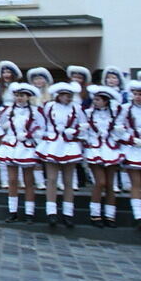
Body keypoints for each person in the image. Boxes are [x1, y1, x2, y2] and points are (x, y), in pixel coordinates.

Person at [0, 83, 44, 223]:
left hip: (27, 147)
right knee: (12, 180)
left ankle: (29, 213)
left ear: (28, 97)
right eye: (17, 95)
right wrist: (3, 135)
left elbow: (42, 128)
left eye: (22, 95)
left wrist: (31, 135)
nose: (19, 98)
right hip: (12, 146)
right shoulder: (8, 110)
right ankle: (13, 211)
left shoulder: (35, 111)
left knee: (28, 181)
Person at [37, 81, 87, 227]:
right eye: (65, 95)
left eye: (70, 95)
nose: (68, 98)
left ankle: (68, 213)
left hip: (69, 144)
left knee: (68, 180)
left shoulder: (77, 108)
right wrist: (46, 136)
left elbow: (84, 126)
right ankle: (51, 212)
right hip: (52, 144)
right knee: (51, 179)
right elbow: (41, 124)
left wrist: (75, 133)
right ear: (58, 95)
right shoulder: (49, 106)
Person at [83, 85, 125, 228]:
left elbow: (118, 131)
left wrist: (119, 134)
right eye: (94, 99)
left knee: (110, 184)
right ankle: (95, 214)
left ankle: (109, 215)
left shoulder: (114, 114)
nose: (95, 102)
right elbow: (85, 132)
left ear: (106, 101)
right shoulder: (88, 114)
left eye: (99, 99)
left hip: (110, 149)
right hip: (94, 149)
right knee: (100, 182)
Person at [120, 80, 141, 229]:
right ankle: (138, 216)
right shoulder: (125, 109)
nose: (137, 97)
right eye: (135, 94)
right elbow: (118, 128)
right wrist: (130, 139)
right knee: (136, 183)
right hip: (133, 148)